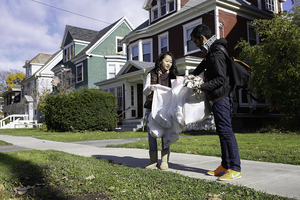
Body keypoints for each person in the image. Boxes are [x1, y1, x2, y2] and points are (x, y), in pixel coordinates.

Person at [190, 24, 242, 180]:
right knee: (222, 132)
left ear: (202, 38)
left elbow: (220, 79)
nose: (196, 45)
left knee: (226, 132)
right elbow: (204, 64)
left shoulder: (215, 53)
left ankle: (235, 168)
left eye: (195, 41)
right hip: (219, 98)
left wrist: (201, 86)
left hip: (222, 98)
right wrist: (192, 75)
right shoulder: (212, 52)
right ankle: (225, 166)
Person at [143, 51, 179, 170]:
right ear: (160, 61)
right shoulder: (151, 74)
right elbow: (144, 91)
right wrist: (151, 88)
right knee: (152, 134)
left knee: (166, 134)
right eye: (166, 61)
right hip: (152, 108)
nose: (169, 63)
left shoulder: (173, 75)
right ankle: (153, 161)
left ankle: (164, 161)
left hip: (167, 109)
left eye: (171, 62)